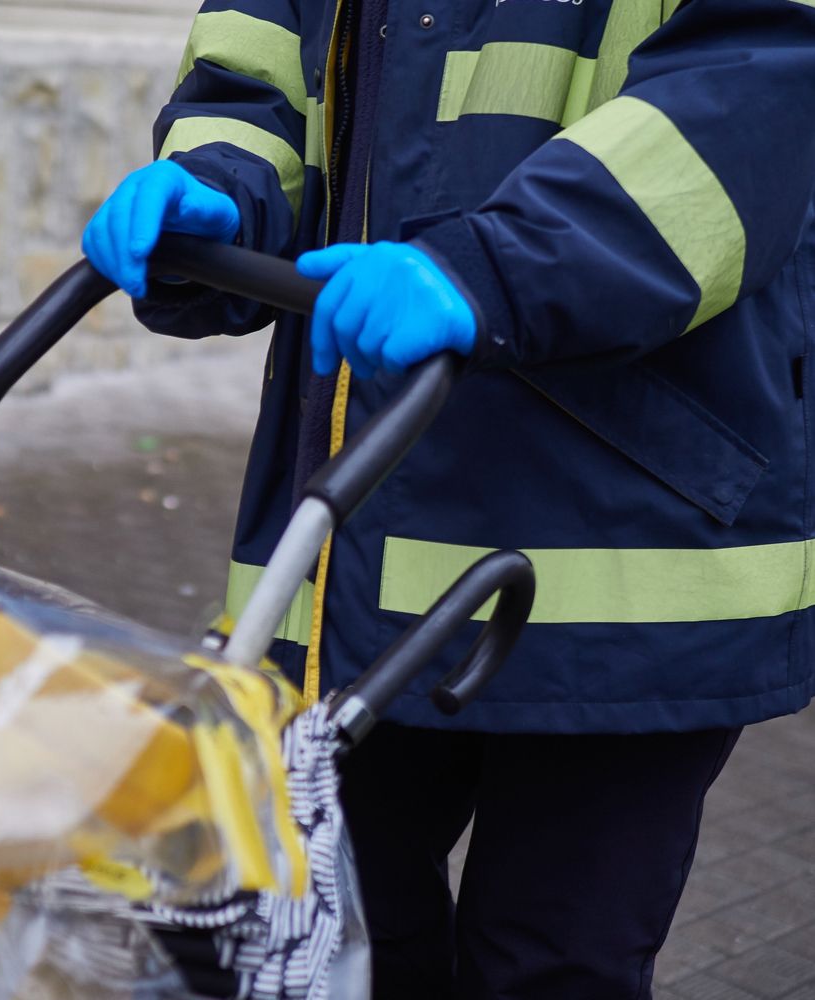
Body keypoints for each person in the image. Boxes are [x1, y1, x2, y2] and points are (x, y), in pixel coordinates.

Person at [84, 1, 815, 997]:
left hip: (625, 558)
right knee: (336, 936)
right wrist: (220, 183)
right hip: (360, 548)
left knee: (551, 963)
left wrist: (497, 266)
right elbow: (257, 74)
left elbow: (749, 105)